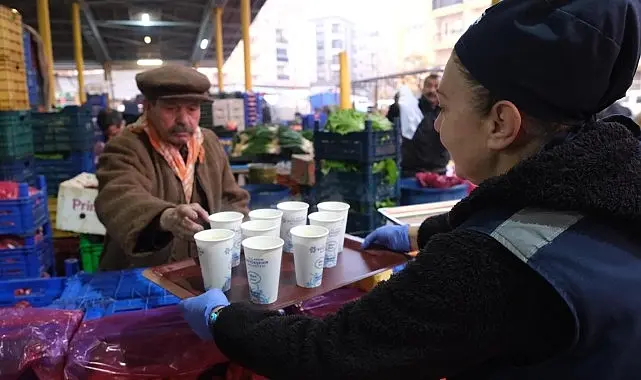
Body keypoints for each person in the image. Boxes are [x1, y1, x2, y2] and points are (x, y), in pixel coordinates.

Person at [180, 1, 641, 379]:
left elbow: (330, 354)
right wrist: (425, 233)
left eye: (442, 107)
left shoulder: (484, 266)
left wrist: (226, 320)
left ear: (501, 123)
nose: (436, 126)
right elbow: (537, 220)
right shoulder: (616, 187)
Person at [95, 65, 249, 270]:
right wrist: (165, 217)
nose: (183, 120)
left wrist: (239, 233)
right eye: (171, 109)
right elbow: (118, 196)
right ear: (148, 107)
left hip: (200, 267)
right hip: (142, 274)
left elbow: (232, 198)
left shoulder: (208, 142)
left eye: (192, 109)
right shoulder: (126, 146)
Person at [401, 74, 451, 176]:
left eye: (436, 86)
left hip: (439, 171)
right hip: (411, 172)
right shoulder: (412, 108)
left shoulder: (448, 111)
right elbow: (394, 115)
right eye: (429, 86)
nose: (432, 90)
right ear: (423, 88)